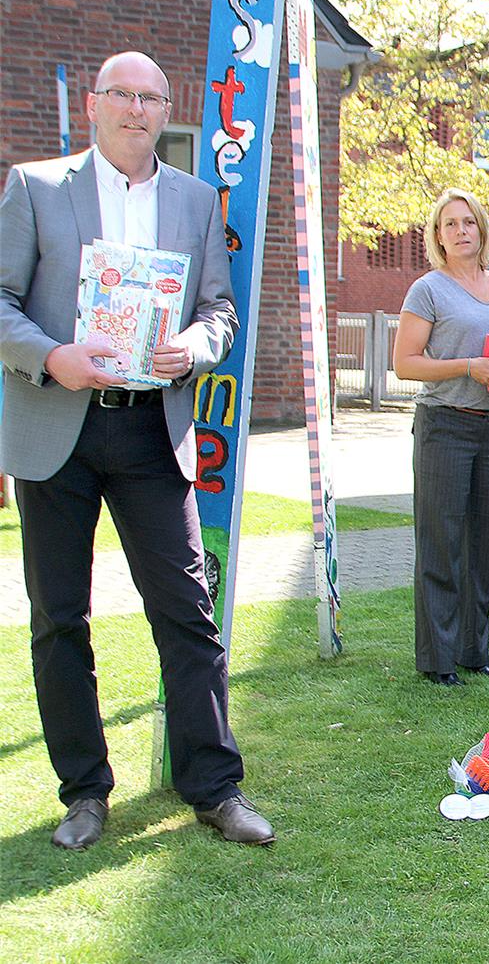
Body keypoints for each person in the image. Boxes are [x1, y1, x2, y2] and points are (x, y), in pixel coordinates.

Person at [0, 51, 274, 848]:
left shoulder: (194, 200)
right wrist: (53, 356)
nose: (136, 109)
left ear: (165, 111)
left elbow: (220, 309)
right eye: (122, 94)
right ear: (93, 104)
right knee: (60, 618)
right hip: (58, 426)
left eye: (152, 97)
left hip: (154, 430)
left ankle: (215, 788)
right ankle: (85, 793)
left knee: (188, 613)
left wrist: (194, 341)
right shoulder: (35, 186)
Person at [394, 188, 489, 686]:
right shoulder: (428, 290)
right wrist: (468, 367)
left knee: (484, 544)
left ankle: (472, 652)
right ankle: (437, 661)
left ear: (483, 230)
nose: (461, 231)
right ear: (437, 236)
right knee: (441, 544)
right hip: (445, 426)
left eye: (469, 222)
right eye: (450, 224)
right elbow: (404, 364)